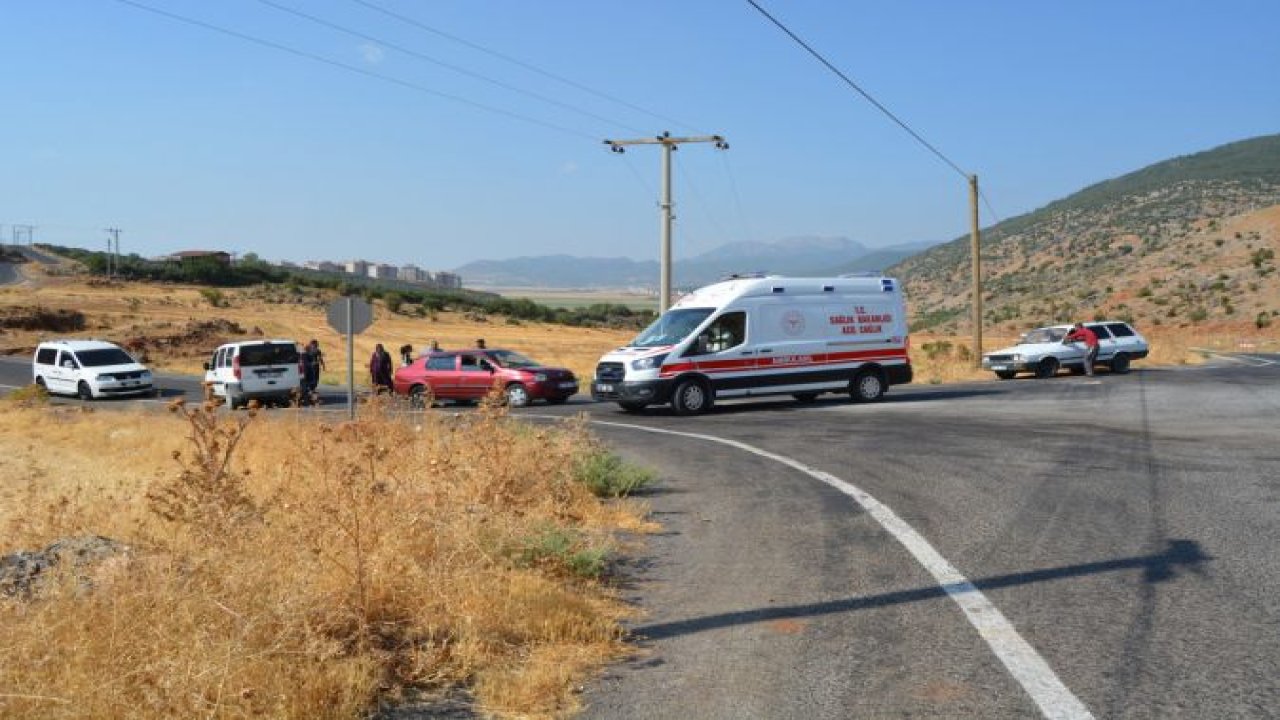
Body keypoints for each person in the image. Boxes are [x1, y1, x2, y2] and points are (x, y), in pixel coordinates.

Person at [301, 339, 325, 404]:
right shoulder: (307, 349)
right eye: (316, 345)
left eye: (317, 345)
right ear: (312, 344)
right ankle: (310, 394)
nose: (317, 346)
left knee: (316, 380)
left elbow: (320, 358)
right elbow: (304, 358)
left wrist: (323, 366)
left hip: (315, 367)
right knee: (310, 380)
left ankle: (312, 391)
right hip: (308, 368)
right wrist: (310, 363)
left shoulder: (318, 351)